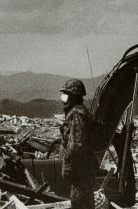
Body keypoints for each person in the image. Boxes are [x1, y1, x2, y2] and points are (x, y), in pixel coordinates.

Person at [59, 79, 98, 209]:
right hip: (84, 168)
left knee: (79, 203)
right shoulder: (80, 112)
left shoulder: (76, 114)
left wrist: (70, 167)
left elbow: (77, 144)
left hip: (80, 169)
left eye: (65, 94)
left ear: (72, 96)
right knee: (86, 203)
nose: (62, 98)